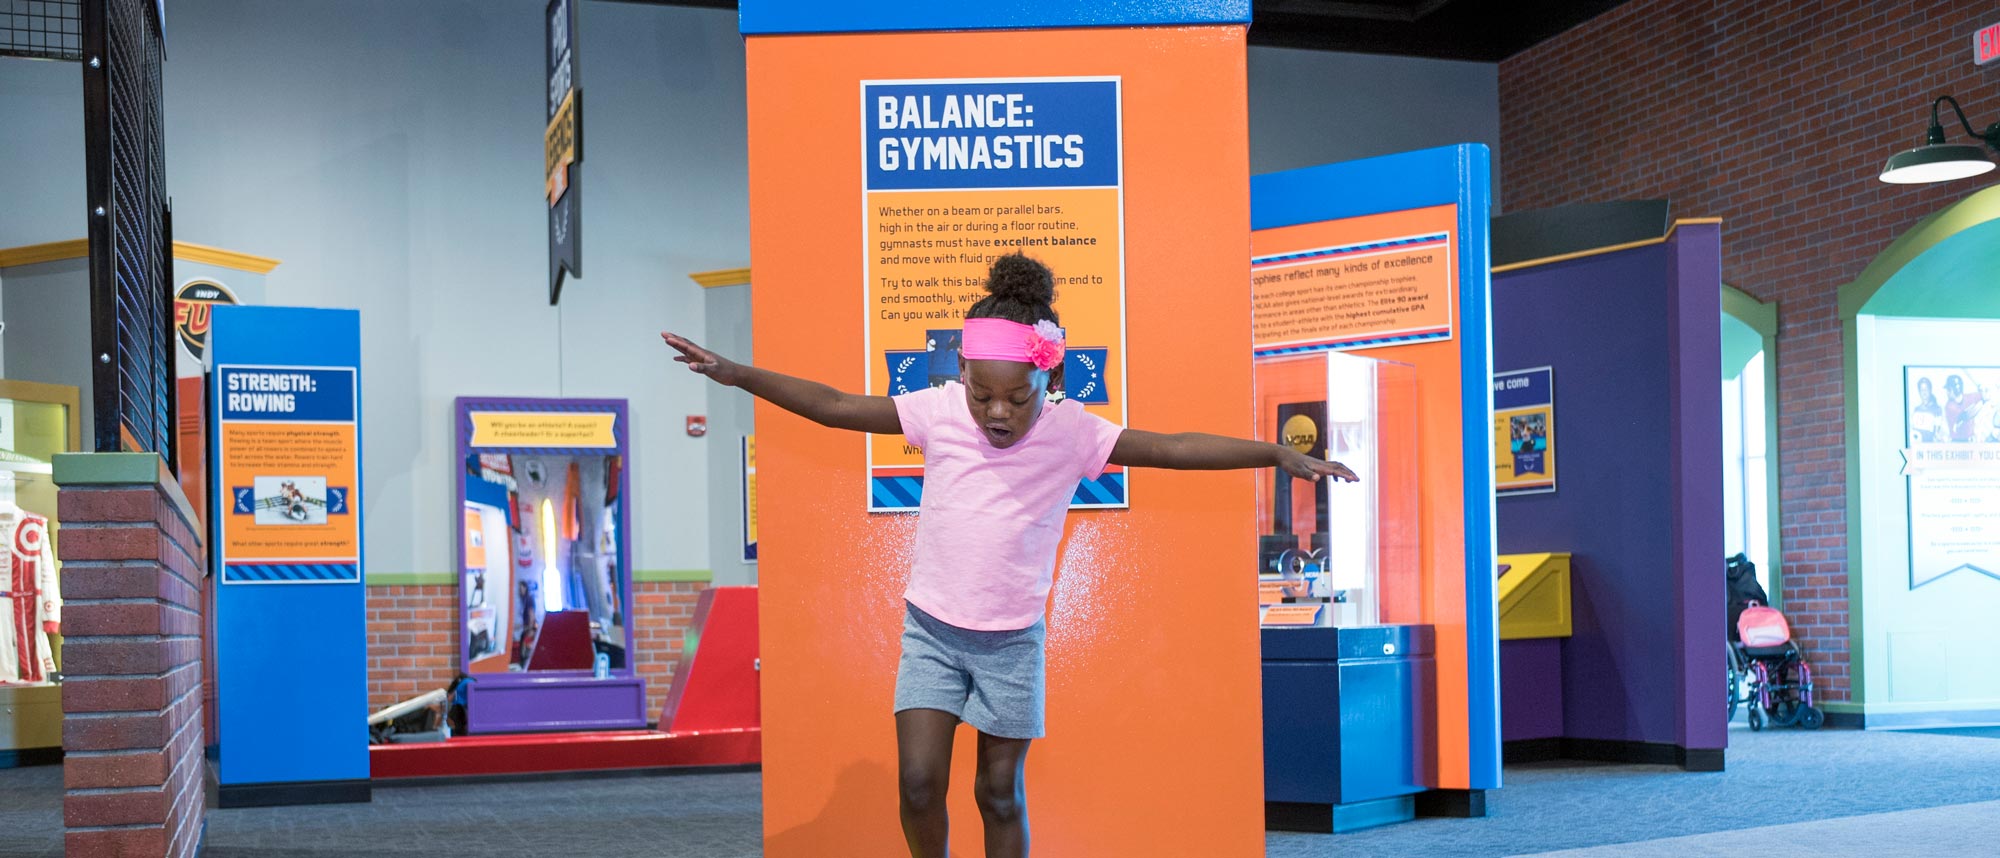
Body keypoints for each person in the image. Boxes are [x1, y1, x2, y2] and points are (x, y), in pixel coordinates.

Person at [663, 253, 1357, 858]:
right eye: (982, 394)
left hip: (1011, 643)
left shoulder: (1069, 432)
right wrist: (734, 373)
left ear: (1047, 384)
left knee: (997, 792)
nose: (998, 412)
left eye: (1015, 398)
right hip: (931, 631)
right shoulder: (937, 412)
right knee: (919, 782)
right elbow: (834, 405)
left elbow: (1170, 448)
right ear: (960, 373)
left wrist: (1272, 452)